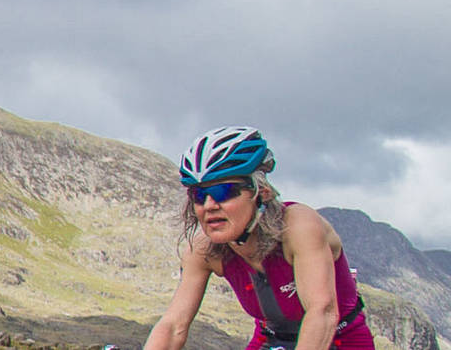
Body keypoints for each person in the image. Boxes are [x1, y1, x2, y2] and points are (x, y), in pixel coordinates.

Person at [145, 127, 373, 350]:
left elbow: (322, 312)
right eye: (199, 195)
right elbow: (173, 326)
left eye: (224, 192)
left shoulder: (298, 226)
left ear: (261, 192)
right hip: (270, 339)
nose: (209, 206)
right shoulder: (204, 248)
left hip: (339, 338)